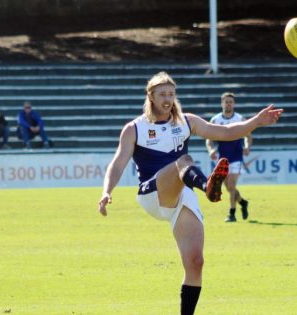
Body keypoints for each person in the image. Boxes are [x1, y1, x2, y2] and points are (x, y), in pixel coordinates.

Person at [98, 72, 282, 315]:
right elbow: (118, 163)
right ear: (150, 96)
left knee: (195, 263)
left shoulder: (186, 121)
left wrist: (255, 122)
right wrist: (106, 191)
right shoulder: (134, 128)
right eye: (162, 94)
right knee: (183, 160)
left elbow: (226, 132)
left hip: (181, 192)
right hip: (152, 194)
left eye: (171, 94)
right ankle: (208, 186)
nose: (168, 99)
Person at [205, 92, 251, 222]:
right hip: (222, 159)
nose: (228, 104)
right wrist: (211, 150)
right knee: (228, 188)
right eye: (226, 102)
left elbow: (248, 136)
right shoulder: (215, 120)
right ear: (222, 103)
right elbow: (209, 139)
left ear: (234, 104)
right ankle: (242, 202)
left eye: (230, 102)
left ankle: (232, 213)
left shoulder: (240, 119)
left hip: (236, 157)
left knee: (231, 185)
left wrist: (247, 147)